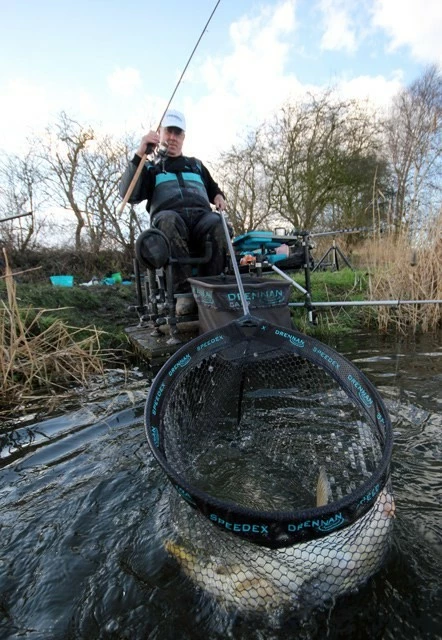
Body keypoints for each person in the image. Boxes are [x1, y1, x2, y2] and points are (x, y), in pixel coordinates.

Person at [120, 109, 227, 315]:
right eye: (168, 131)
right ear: (159, 133)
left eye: (177, 133)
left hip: (201, 220)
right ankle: (184, 294)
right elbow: (128, 194)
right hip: (169, 220)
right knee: (168, 220)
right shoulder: (150, 168)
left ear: (183, 137)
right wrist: (140, 153)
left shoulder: (196, 166)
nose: (172, 137)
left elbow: (214, 188)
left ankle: (212, 291)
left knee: (218, 223)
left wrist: (218, 196)